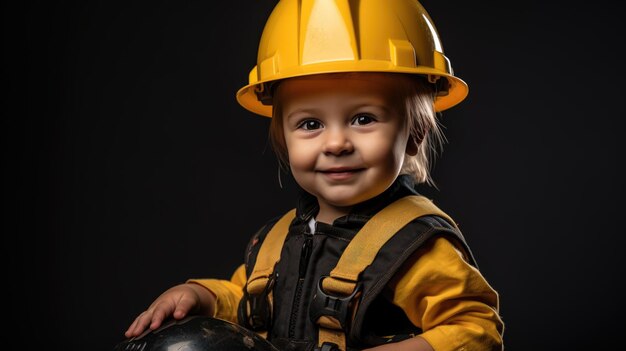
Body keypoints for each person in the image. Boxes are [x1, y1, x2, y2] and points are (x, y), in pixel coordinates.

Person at [123, 1, 505, 350]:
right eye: (310, 124)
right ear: (284, 140)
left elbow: (476, 329)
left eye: (363, 119)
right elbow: (248, 300)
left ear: (415, 133)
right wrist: (201, 296)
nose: (336, 143)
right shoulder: (277, 239)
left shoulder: (414, 245)